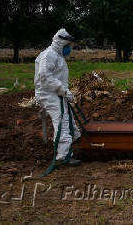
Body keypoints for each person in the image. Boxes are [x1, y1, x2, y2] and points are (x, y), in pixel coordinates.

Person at [34, 28, 81, 166]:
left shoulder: (58, 56)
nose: (69, 49)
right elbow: (44, 76)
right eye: (67, 46)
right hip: (48, 94)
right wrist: (62, 89)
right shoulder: (48, 55)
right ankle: (63, 156)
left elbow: (56, 77)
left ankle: (74, 144)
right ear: (61, 43)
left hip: (56, 93)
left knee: (68, 120)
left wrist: (64, 91)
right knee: (62, 122)